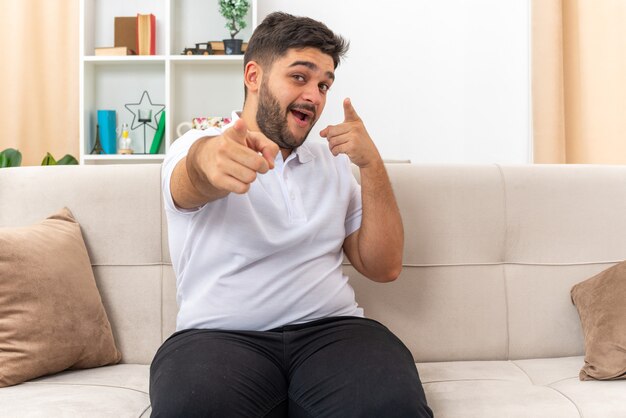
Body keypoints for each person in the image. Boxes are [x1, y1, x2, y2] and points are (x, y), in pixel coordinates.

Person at [150, 11, 433, 418]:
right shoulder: (200, 143)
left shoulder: (331, 159)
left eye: (324, 84)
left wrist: (372, 166)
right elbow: (192, 177)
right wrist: (209, 162)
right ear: (254, 76)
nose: (315, 96)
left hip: (332, 333)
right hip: (217, 339)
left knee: (391, 406)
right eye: (300, 77)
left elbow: (384, 266)